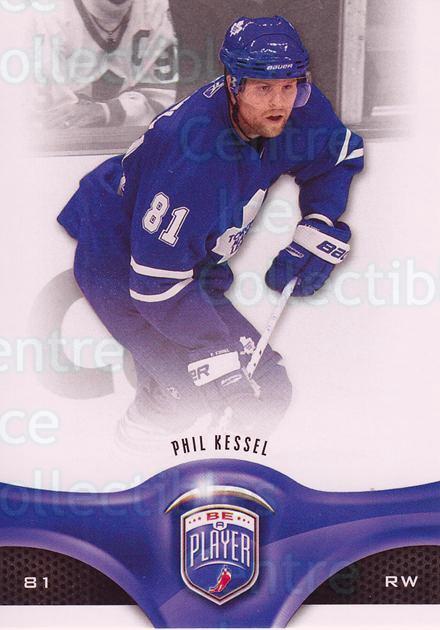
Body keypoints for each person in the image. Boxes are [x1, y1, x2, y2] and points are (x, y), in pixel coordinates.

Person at [57, 16, 364, 445]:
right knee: (196, 397)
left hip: (186, 264)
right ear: (233, 84)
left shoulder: (300, 107)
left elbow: (336, 158)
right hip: (121, 267)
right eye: (263, 88)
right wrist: (216, 357)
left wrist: (319, 220)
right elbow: (155, 285)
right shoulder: (194, 153)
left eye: (289, 86)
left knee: (266, 391)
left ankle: (216, 465)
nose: (280, 102)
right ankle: (134, 456)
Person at [34, 0, 178, 129]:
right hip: (63, 145)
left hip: (129, 142)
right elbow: (51, 118)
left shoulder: (155, 6)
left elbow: (164, 106)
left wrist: (107, 111)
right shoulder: (45, 11)